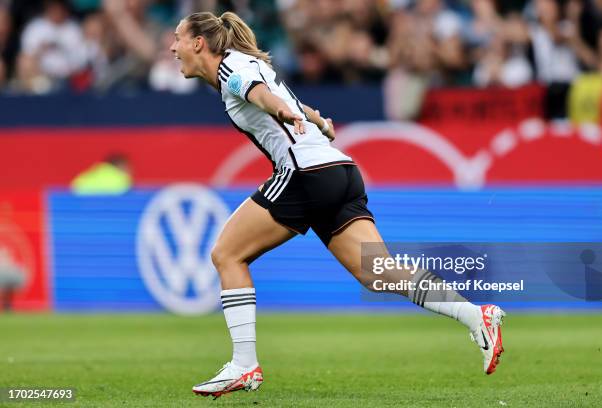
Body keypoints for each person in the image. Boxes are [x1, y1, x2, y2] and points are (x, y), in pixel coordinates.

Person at [170, 11, 506, 399]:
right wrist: (317, 122)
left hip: (304, 173)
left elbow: (264, 96)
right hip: (339, 169)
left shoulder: (231, 69)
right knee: (379, 273)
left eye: (177, 38)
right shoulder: (246, 64)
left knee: (227, 254)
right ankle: (476, 315)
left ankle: (245, 365)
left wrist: (283, 112)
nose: (173, 46)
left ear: (198, 43)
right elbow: (285, 98)